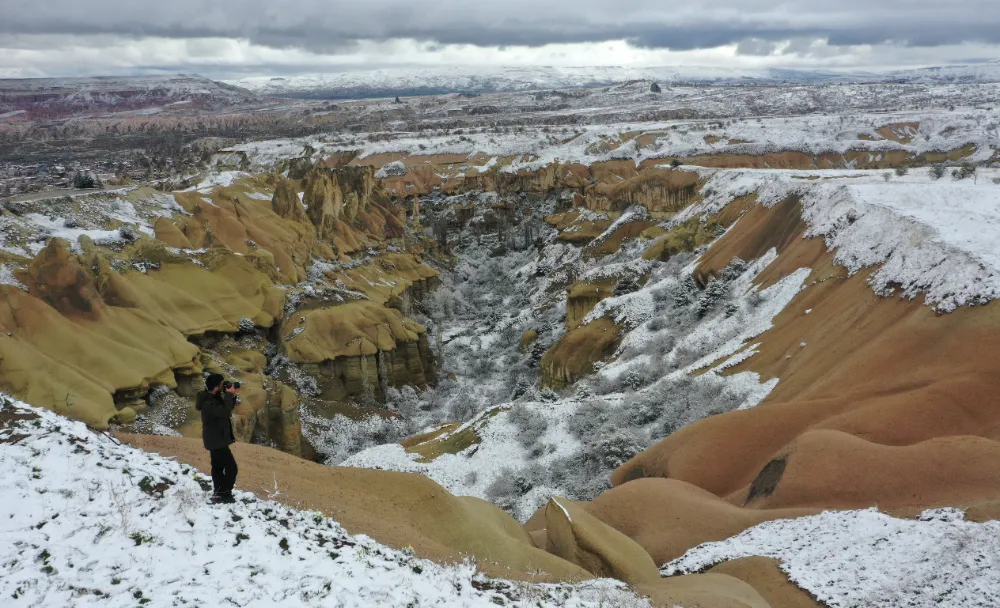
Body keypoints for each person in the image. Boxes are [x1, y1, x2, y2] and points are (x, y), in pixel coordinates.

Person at [195, 373, 239, 504]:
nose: (223, 386)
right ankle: (224, 494)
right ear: (215, 387)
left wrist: (232, 397)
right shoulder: (209, 403)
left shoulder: (213, 397)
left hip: (215, 439)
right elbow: (224, 412)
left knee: (218, 467)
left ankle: (219, 493)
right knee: (232, 468)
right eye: (221, 384)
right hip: (216, 440)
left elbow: (227, 408)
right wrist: (229, 395)